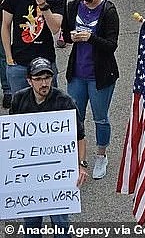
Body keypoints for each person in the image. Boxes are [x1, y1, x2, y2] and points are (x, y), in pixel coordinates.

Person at [9, 57, 88, 234]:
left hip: (58, 172)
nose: (44, 83)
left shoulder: (65, 101)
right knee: (31, 223)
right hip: (29, 172)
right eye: (38, 79)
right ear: (29, 80)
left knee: (61, 224)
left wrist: (81, 165)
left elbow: (80, 137)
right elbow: (11, 139)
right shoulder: (19, 100)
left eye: (47, 77)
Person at [61, 0, 119, 181]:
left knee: (100, 118)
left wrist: (90, 38)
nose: (84, 2)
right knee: (75, 117)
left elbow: (112, 45)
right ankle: (77, 158)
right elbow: (65, 34)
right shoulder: (74, 7)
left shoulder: (108, 10)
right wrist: (70, 38)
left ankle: (101, 155)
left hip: (100, 75)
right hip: (77, 72)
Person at [1, 0, 64, 94]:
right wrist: (9, 57)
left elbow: (55, 28)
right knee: (20, 106)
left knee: (48, 106)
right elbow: (5, 25)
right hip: (19, 62)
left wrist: (44, 6)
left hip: (46, 61)